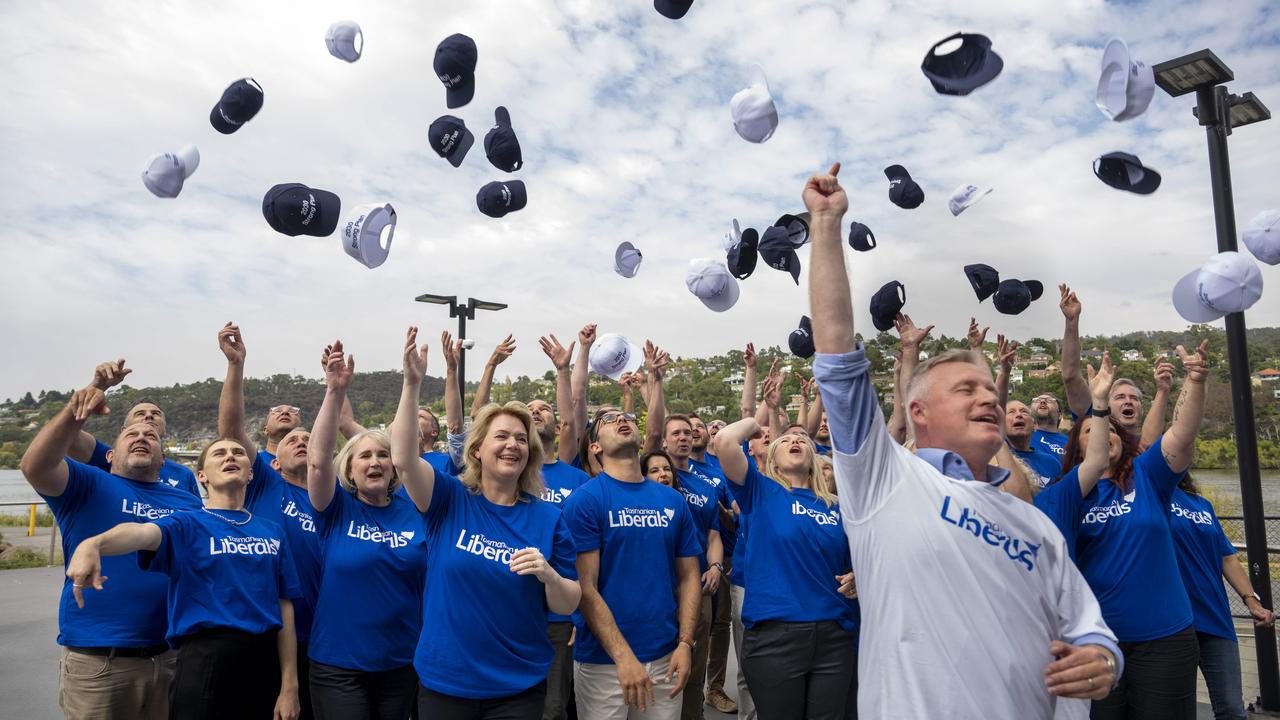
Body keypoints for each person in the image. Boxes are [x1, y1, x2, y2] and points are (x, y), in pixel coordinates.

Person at [804, 160, 1120, 718]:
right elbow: (834, 351)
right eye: (966, 388)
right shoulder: (885, 481)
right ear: (917, 411)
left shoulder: (1034, 524)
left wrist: (1101, 661)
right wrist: (827, 226)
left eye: (990, 389)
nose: (990, 398)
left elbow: (1089, 629)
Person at [392, 327, 580, 720]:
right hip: (447, 683)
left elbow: (568, 601)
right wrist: (411, 385)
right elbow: (405, 460)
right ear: (477, 448)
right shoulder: (448, 498)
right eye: (502, 436)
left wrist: (548, 575)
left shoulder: (548, 518)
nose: (512, 444)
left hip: (517, 687)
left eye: (521, 439)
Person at [66, 436, 302, 720]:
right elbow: (142, 533)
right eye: (219, 454)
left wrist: (290, 684)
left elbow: (284, 606)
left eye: (238, 452)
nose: (230, 457)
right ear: (202, 476)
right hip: (205, 658)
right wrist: (94, 543)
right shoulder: (187, 522)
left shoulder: (272, 530)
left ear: (250, 472)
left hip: (263, 659)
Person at [21, 376, 204, 720]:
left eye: (151, 436)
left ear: (164, 459)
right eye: (131, 434)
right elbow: (35, 465)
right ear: (110, 453)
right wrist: (78, 411)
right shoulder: (88, 483)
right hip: (101, 660)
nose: (142, 437)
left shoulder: (187, 502)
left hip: (170, 657)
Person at [1059, 341, 1212, 719]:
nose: (1104, 435)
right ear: (1079, 448)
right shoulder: (1067, 495)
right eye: (1091, 431)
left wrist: (1194, 381)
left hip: (1164, 639)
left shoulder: (1148, 475)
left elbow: (1181, 436)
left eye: (1110, 429)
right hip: (1095, 640)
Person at [292, 339, 426, 720]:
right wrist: (335, 391)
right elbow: (317, 462)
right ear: (349, 469)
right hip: (339, 667)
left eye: (382, 455)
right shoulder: (336, 509)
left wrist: (411, 382)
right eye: (364, 456)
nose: (375, 462)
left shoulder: (416, 509)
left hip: (402, 663)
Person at [563, 400, 702, 720]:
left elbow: (689, 577)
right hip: (604, 664)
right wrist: (623, 657)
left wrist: (685, 642)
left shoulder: (673, 501)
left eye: (626, 416)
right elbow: (586, 588)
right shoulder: (586, 500)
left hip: (666, 655)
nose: (621, 420)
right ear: (595, 447)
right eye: (609, 420)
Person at [714, 418, 859, 720]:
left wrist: (859, 575)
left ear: (814, 462)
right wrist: (756, 425)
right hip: (776, 638)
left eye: (803, 442)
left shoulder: (836, 507)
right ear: (774, 464)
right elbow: (725, 440)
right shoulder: (760, 492)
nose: (796, 442)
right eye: (785, 442)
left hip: (834, 637)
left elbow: (860, 559)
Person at [217, 322, 325, 720]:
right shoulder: (262, 478)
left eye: (306, 435)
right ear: (274, 457)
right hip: (265, 628)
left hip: (320, 633)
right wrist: (236, 366)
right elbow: (229, 432)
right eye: (291, 436)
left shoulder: (330, 497)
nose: (299, 437)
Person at [1171, 475, 1275, 720]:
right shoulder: (1150, 497)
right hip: (1175, 623)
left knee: (1231, 709)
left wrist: (1251, 600)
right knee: (1174, 709)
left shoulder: (1202, 504)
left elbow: (1227, 557)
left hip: (1216, 619)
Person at [535, 332, 592, 720]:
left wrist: (563, 369)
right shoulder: (509, 476)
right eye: (529, 407)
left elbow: (584, 557)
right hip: (513, 610)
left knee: (553, 708)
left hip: (559, 618)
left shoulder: (575, 478)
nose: (536, 410)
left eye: (544, 409)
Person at [662, 414, 726, 720]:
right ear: (663, 441)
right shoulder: (655, 475)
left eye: (687, 433)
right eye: (675, 433)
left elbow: (714, 534)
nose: (683, 438)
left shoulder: (706, 486)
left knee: (694, 665)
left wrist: (715, 565)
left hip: (698, 584)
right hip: (662, 584)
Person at [66, 359, 201, 498]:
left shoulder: (184, 474)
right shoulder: (113, 457)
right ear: (124, 430)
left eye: (155, 414)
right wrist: (96, 387)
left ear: (164, 430)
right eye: (140, 414)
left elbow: (197, 514)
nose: (149, 416)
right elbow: (66, 437)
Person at [1005, 400, 1063, 488]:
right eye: (1011, 412)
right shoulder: (992, 459)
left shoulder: (1052, 464)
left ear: (1035, 426)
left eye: (1024, 412)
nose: (1019, 415)